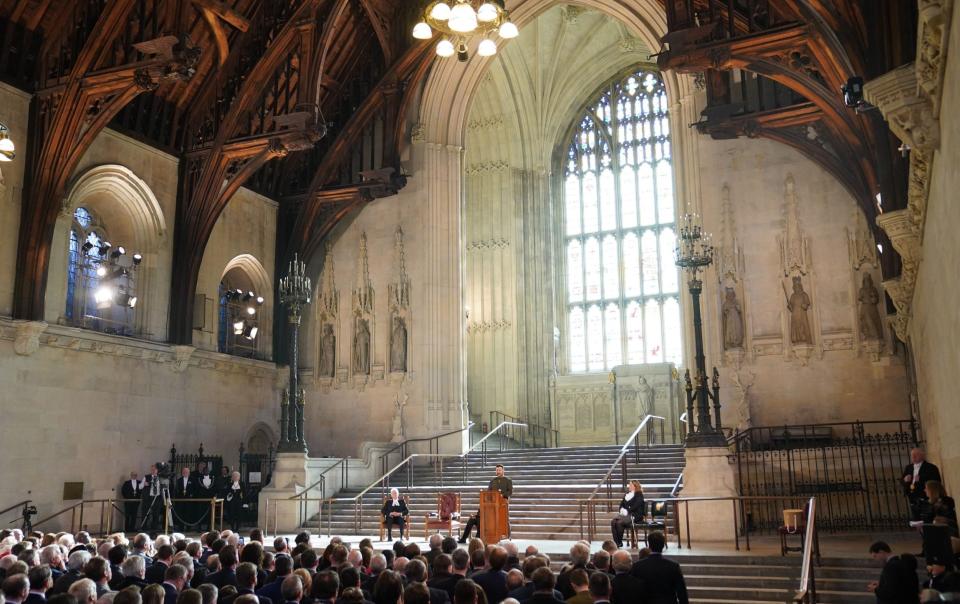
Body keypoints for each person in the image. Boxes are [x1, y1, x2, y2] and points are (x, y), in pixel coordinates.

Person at [459, 465, 513, 543]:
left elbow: (510, 492)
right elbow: (488, 492)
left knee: (505, 520)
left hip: (502, 504)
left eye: (499, 470)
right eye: (497, 470)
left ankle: (508, 536)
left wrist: (502, 495)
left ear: (503, 470)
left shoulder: (508, 480)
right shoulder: (492, 481)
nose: (498, 471)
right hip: (492, 504)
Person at [630, 532, 687, 604]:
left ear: (649, 546)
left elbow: (633, 591)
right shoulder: (673, 566)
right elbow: (681, 593)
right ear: (663, 545)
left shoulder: (637, 566)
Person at [903, 448, 941, 521]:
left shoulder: (931, 467)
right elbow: (902, 480)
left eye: (915, 455)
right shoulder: (908, 467)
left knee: (927, 519)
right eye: (912, 455)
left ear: (922, 456)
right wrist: (905, 479)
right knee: (916, 519)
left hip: (925, 496)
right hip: (912, 497)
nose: (913, 457)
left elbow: (936, 482)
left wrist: (921, 479)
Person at [610, 481, 645, 549]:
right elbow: (621, 504)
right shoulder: (627, 494)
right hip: (625, 515)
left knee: (619, 523)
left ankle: (618, 543)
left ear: (635, 486)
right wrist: (621, 510)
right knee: (613, 521)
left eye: (631, 485)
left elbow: (635, 506)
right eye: (629, 485)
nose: (629, 486)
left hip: (635, 515)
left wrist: (627, 510)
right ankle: (616, 543)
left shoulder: (639, 494)